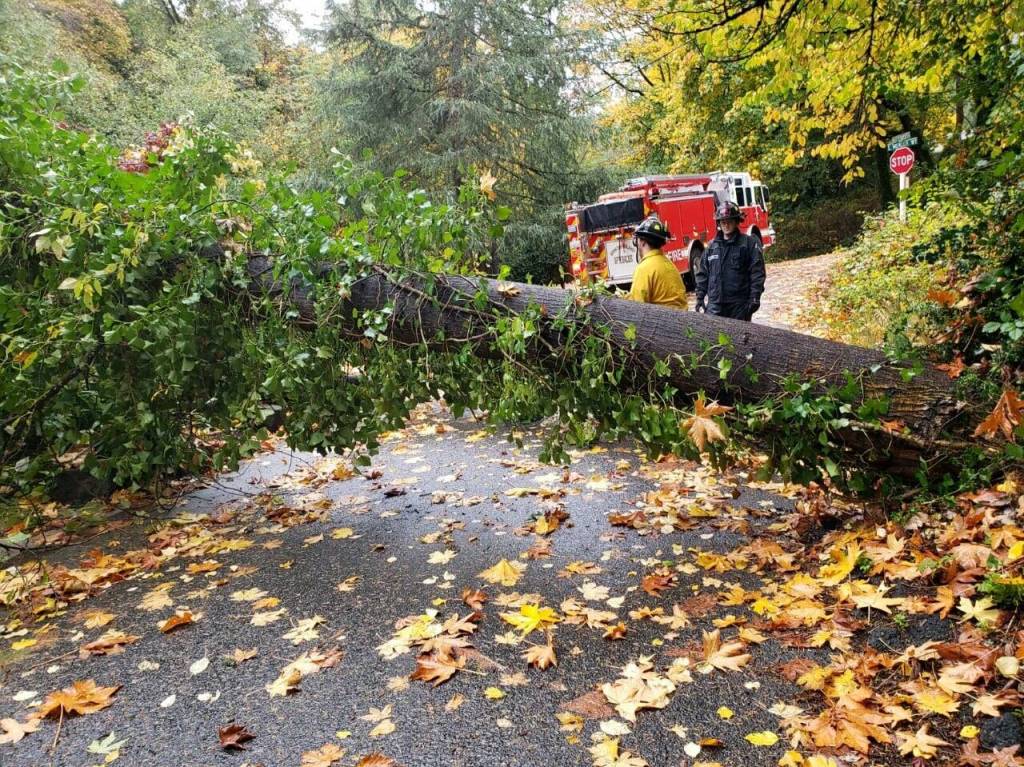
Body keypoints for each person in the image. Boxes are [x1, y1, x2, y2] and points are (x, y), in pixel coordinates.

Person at [695, 201, 766, 321]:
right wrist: (700, 298)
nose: (726, 225)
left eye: (730, 222)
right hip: (715, 306)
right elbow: (703, 274)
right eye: (723, 222)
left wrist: (755, 297)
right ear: (719, 223)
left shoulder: (748, 244)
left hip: (739, 306)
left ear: (737, 222)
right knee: (714, 339)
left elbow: (757, 272)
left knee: (739, 339)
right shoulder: (712, 247)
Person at [625, 215, 687, 309]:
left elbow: (636, 307)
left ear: (642, 242)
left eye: (637, 240)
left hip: (661, 322)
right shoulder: (669, 264)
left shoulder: (644, 268)